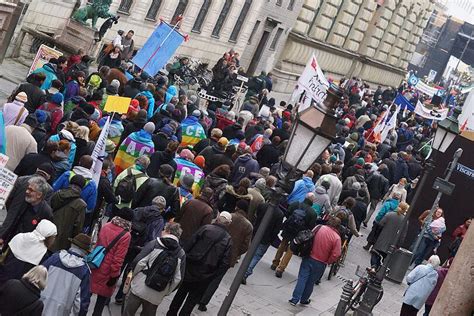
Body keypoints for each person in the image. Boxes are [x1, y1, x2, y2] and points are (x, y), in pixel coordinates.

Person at [166, 212, 232, 316]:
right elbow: (224, 263)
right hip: (206, 274)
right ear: (228, 223)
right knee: (192, 300)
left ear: (217, 219)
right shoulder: (227, 239)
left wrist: (184, 259)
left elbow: (190, 243)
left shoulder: (206, 228)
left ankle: (171, 313)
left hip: (190, 267)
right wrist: (213, 275)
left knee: (180, 293)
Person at [198, 200, 253, 311]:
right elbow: (246, 246)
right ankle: (203, 302)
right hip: (229, 257)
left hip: (215, 250)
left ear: (237, 207)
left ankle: (197, 296)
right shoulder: (248, 226)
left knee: (206, 273)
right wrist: (236, 253)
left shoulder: (228, 217)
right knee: (216, 279)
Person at [123, 222, 185, 316]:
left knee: (128, 312)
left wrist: (133, 276)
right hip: (158, 291)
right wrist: (166, 291)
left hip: (140, 286)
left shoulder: (155, 243)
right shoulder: (181, 253)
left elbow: (139, 262)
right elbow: (178, 279)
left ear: (168, 231)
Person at [289, 216, 341, 306]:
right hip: (321, 262)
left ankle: (294, 299)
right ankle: (304, 299)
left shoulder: (319, 227)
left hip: (309, 256)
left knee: (302, 278)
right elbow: (336, 254)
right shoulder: (337, 238)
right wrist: (328, 261)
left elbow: (309, 236)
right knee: (311, 282)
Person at [90, 208, 132, 316]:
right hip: (108, 271)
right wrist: (114, 275)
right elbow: (118, 258)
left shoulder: (107, 225)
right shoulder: (126, 235)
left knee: (86, 295)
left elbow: (98, 243)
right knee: (100, 303)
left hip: (96, 263)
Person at [41, 233, 92, 316]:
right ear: (85, 252)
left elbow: (37, 277)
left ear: (72, 244)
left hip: (40, 307)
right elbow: (80, 304)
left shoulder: (54, 258)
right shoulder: (84, 271)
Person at [273, 193, 318, 278]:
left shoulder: (295, 204)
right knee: (290, 250)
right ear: (312, 201)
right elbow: (311, 227)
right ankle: (281, 269)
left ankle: (275, 263)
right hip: (298, 234)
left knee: (282, 245)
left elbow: (287, 213)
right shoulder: (312, 213)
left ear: (305, 197)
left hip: (288, 229)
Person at [0, 176, 53, 247]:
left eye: (31, 190)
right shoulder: (25, 202)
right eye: (27, 188)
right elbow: (12, 220)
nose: (27, 191)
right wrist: (3, 236)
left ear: (39, 195)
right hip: (9, 243)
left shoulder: (46, 213)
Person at [243, 202, 284, 284]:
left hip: (256, 233)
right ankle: (246, 272)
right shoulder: (280, 214)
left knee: (250, 253)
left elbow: (257, 216)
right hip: (266, 239)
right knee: (257, 256)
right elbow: (276, 229)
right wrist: (271, 239)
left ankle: (243, 270)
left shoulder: (262, 206)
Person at [50, 175, 87, 252]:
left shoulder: (57, 194)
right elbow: (78, 227)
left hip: (48, 234)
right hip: (62, 241)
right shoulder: (81, 205)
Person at [370, 202, 409, 269]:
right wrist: (398, 245)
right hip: (392, 245)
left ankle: (373, 267)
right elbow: (403, 235)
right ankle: (379, 269)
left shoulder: (389, 214)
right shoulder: (405, 221)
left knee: (375, 254)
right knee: (385, 260)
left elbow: (380, 225)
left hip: (381, 240)